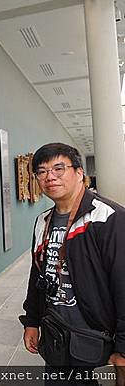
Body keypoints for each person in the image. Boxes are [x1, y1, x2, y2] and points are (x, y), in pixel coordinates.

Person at [20, 143, 125, 384]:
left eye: (59, 168)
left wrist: (123, 347)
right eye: (42, 171)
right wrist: (32, 321)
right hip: (57, 332)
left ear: (80, 173)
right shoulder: (42, 221)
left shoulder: (107, 217)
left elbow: (122, 283)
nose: (50, 177)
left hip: (96, 335)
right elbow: (37, 275)